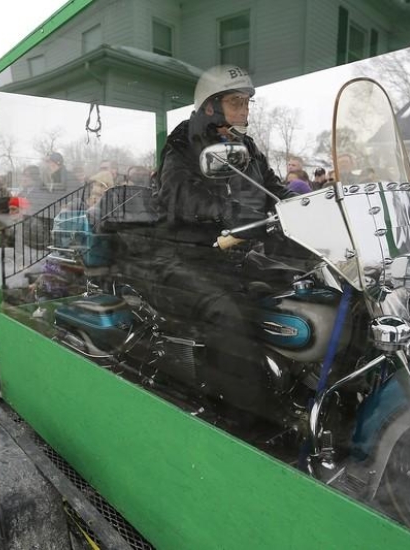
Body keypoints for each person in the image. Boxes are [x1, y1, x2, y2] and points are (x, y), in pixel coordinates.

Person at [146, 64, 294, 412]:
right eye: (235, 102)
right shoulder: (184, 141)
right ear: (211, 105)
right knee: (226, 313)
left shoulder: (247, 146)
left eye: (246, 102)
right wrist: (228, 211)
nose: (243, 110)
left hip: (235, 254)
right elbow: (178, 195)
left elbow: (272, 187)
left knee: (296, 285)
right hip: (183, 256)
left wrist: (308, 205)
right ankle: (242, 416)